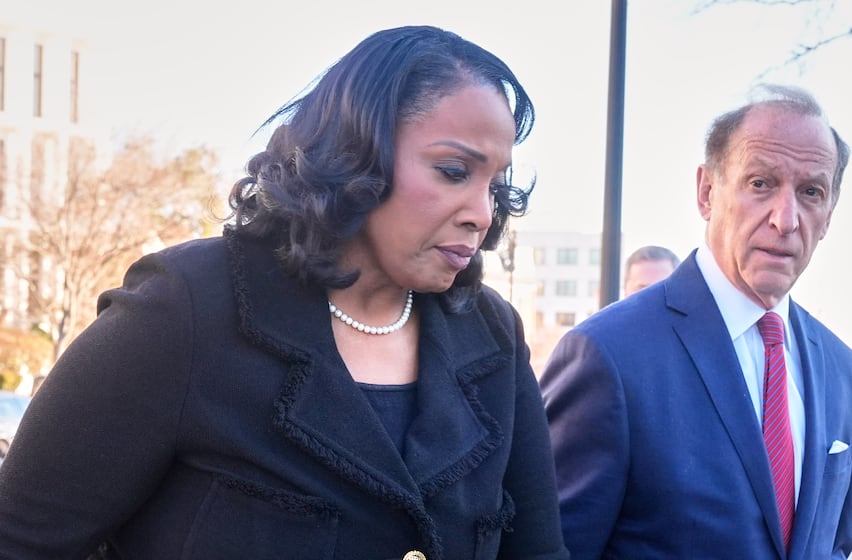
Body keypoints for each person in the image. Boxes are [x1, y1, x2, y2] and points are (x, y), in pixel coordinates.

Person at [0, 25, 569, 560]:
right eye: (453, 171)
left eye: (496, 184)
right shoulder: (188, 307)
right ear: (357, 151)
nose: (481, 213)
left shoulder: (493, 334)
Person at [540, 84, 852, 559]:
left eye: (811, 192)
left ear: (829, 215)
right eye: (761, 183)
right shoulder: (608, 355)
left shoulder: (844, 371)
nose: (786, 219)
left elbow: (835, 545)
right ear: (707, 192)